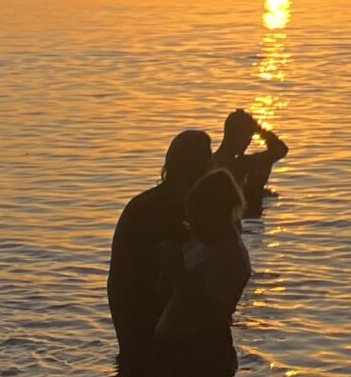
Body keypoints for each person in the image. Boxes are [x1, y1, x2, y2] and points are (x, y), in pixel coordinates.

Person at [108, 129, 213, 372]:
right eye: (206, 159)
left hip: (130, 299)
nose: (211, 165)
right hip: (142, 301)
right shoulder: (168, 208)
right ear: (192, 164)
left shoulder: (147, 203)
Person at [152, 165, 250, 377]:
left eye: (197, 218)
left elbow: (208, 312)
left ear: (216, 215)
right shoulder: (200, 241)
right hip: (176, 348)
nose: (191, 225)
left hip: (203, 354)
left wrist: (176, 270)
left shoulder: (230, 256)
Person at [215, 109, 289, 219]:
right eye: (248, 137)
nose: (248, 143)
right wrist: (259, 129)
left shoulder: (210, 159)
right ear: (237, 136)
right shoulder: (240, 165)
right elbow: (280, 150)